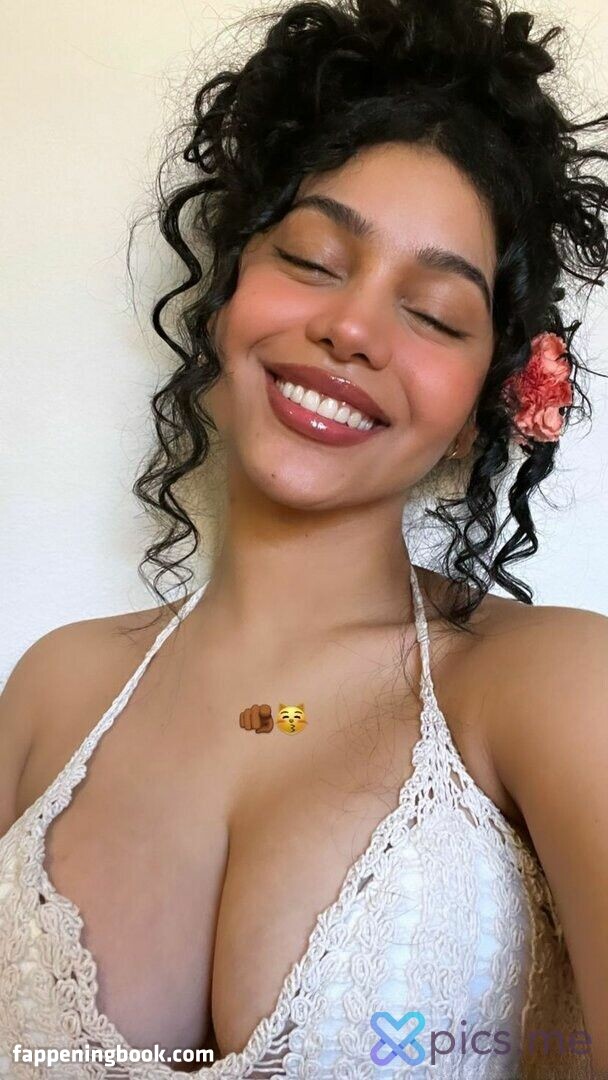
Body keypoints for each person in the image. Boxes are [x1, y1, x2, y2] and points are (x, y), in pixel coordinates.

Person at [1, 0, 607, 1076]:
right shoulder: (53, 691)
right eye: (314, 259)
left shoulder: (555, 689)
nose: (352, 328)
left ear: (483, 406)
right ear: (227, 292)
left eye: (434, 314)